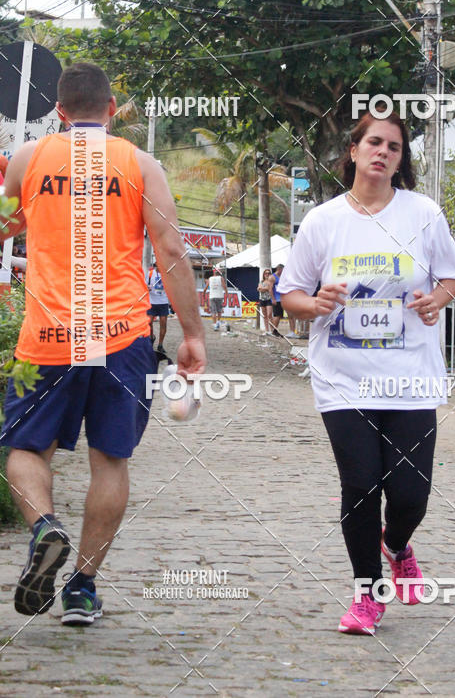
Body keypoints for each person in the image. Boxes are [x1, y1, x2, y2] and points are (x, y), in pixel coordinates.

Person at [0, 62, 206, 626]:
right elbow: (169, 250)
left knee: (23, 447)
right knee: (110, 458)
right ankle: (83, 588)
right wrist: (190, 333)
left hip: (47, 336)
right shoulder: (141, 165)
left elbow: (7, 220)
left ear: (59, 112)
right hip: (122, 335)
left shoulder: (30, 158)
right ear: (113, 109)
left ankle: (45, 526)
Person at [279, 110, 455, 635]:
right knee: (360, 486)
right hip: (343, 378)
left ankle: (398, 543)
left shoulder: (423, 213)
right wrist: (315, 304)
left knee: (409, 495)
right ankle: (368, 594)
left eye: (395, 147)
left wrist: (437, 300)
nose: (384, 152)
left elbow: (452, 274)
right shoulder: (323, 221)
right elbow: (289, 294)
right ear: (354, 151)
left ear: (400, 161)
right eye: (374, 143)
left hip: (410, 376)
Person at [147, 264, 170, 353]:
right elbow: (144, 284)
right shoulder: (150, 274)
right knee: (149, 322)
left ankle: (160, 345)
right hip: (152, 301)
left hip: (163, 302)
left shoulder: (167, 274)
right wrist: (147, 288)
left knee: (163, 323)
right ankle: (152, 337)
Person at [257, 267, 274, 334]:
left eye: (268, 273)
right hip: (262, 299)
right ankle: (267, 330)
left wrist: (262, 288)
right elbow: (258, 288)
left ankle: (272, 330)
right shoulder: (261, 281)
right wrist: (265, 288)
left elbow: (268, 288)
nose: (267, 274)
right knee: (265, 316)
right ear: (264, 274)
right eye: (266, 273)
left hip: (269, 299)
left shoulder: (271, 281)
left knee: (269, 314)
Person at [270, 264, 284, 337]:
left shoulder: (281, 277)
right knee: (277, 315)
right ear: (279, 269)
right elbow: (270, 289)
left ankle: (275, 330)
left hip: (281, 298)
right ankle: (273, 331)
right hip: (276, 299)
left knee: (279, 315)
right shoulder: (272, 277)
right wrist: (273, 299)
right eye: (282, 270)